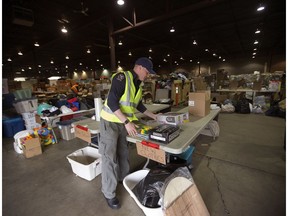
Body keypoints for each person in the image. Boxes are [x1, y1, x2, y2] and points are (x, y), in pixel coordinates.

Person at [99, 57, 158, 209]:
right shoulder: (122, 77)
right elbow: (112, 102)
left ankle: (123, 180)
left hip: (122, 123)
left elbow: (137, 104)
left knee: (123, 153)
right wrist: (127, 122)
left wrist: (154, 116)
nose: (148, 75)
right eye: (146, 71)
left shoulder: (138, 84)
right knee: (109, 157)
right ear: (139, 68)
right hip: (111, 122)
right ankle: (109, 193)